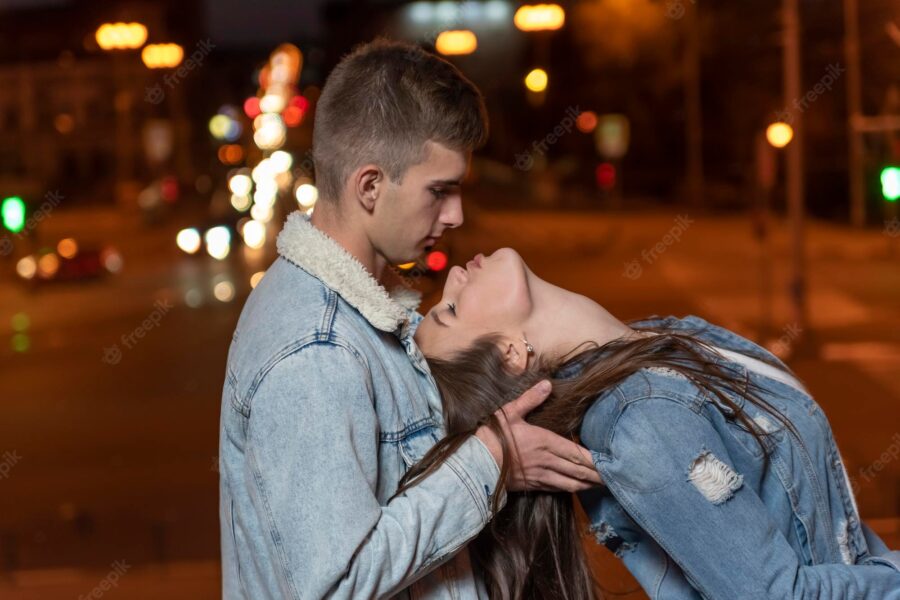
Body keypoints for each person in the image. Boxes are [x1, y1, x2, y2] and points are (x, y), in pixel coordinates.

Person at [218, 40, 601, 599]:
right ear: (370, 186)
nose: (456, 214)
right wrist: (493, 461)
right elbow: (337, 586)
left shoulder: (364, 316)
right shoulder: (315, 351)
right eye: (439, 191)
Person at [411, 247, 900, 599]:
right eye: (451, 309)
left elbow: (831, 522)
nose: (453, 273)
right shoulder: (641, 419)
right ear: (510, 353)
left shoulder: (662, 338)